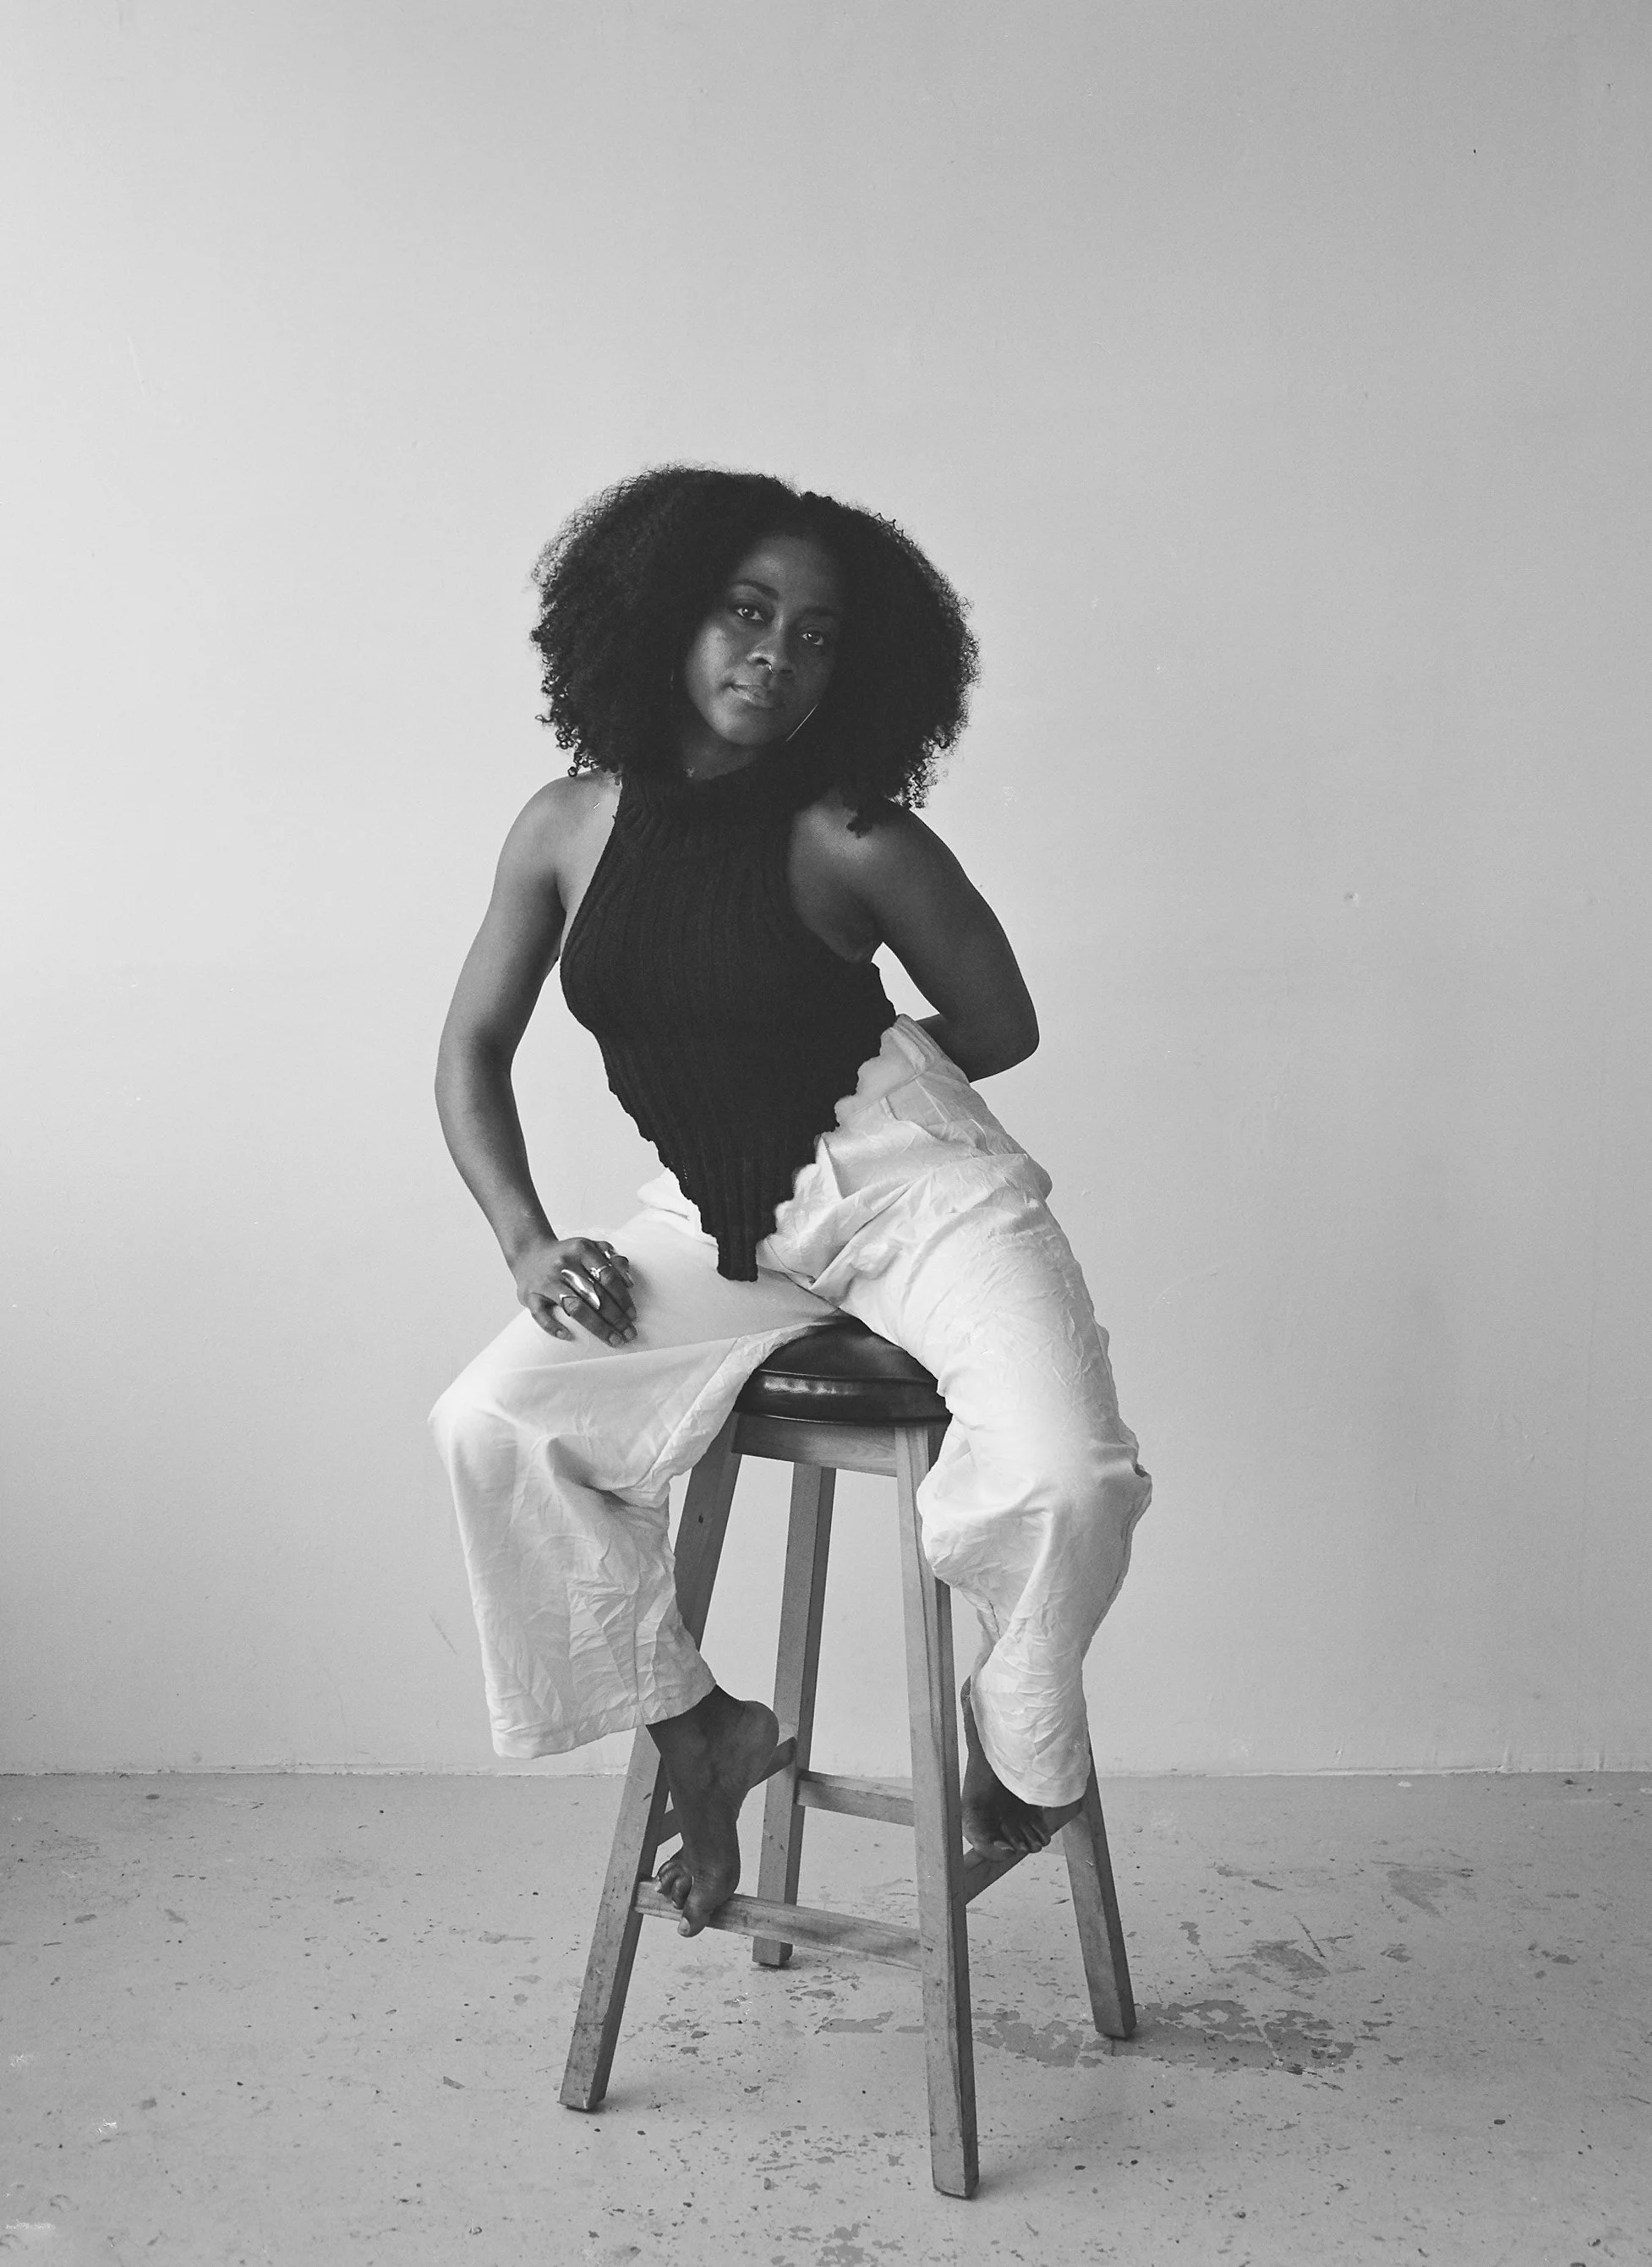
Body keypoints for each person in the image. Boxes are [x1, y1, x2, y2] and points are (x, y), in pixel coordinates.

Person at [429, 467, 1151, 1939]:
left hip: (916, 1191)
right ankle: (700, 1724)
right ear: (661, 619)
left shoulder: (852, 835)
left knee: (1070, 1480)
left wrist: (839, 1078)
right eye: (745, 612)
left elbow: (998, 1024)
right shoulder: (567, 825)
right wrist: (523, 1236)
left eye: (818, 635)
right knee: (496, 1422)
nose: (776, 652)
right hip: (720, 1216)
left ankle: (1011, 1733)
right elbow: (470, 1052)